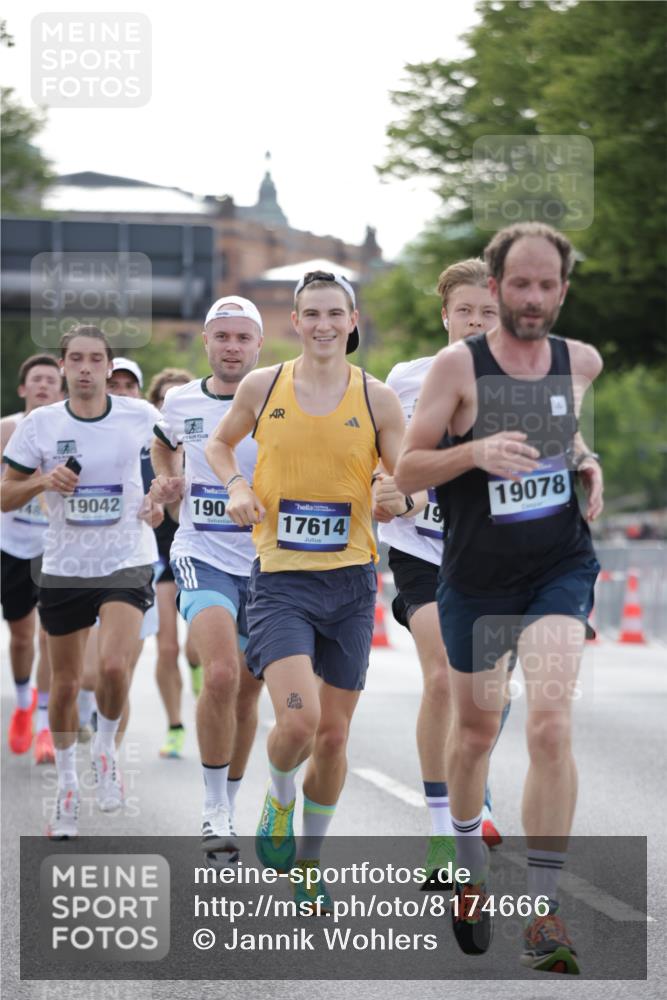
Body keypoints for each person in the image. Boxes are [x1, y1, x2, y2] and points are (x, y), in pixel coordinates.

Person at [395, 222, 603, 973]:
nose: (533, 297)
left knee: (549, 725)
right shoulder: (457, 368)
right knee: (477, 732)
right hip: (476, 577)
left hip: (559, 567)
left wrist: (586, 461)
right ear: (496, 286)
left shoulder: (579, 362)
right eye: (520, 283)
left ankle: (545, 914)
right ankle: (467, 868)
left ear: (562, 290)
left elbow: (564, 439)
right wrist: (475, 452)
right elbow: (408, 469)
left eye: (547, 284)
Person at [205, 270, 408, 910]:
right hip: (282, 581)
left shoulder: (378, 399)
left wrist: (400, 496)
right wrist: (237, 486)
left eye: (334, 314)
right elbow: (219, 444)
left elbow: (410, 482)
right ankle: (278, 799)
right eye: (311, 314)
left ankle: (310, 861)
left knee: (334, 738)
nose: (323, 325)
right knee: (298, 720)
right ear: (294, 322)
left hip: (351, 583)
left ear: (353, 322)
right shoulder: (264, 386)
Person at [374, 259, 509, 886]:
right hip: (422, 553)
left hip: (492, 558)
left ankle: (474, 791)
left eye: (488, 312)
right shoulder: (407, 378)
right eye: (465, 311)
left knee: (487, 692)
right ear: (445, 315)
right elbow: (385, 457)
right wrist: (392, 490)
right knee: (442, 677)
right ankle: (440, 834)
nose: (475, 322)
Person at [1, 325, 162, 839]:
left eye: (96, 359)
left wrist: (160, 496)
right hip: (66, 566)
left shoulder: (139, 414)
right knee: (66, 684)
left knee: (113, 666)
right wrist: (42, 481)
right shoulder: (40, 425)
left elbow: (171, 457)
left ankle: (106, 751)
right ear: (64, 366)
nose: (87, 368)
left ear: (109, 368)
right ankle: (67, 789)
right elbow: (5, 494)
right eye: (77, 359)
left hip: (126, 558)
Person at [150, 297, 265, 858]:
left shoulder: (280, 395)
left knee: (246, 693)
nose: (232, 347)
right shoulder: (180, 400)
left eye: (243, 337)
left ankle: (232, 800)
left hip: (269, 563)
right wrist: (168, 480)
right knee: (220, 674)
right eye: (222, 336)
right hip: (202, 552)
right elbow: (163, 443)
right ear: (206, 341)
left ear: (260, 344)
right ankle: (213, 808)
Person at [1, 354, 62, 764]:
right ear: (23, 388)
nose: (43, 385)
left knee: (49, 636)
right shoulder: (7, 429)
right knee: (22, 637)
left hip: (54, 546)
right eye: (36, 379)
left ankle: (44, 726)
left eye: (51, 380)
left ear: (60, 390)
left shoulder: (70, 430)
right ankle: (23, 703)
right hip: (11, 544)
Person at [145, 366, 195, 757]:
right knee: (166, 649)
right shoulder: (151, 449)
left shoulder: (209, 444)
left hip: (200, 553)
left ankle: (202, 678)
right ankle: (175, 726)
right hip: (161, 555)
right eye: (165, 399)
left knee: (198, 649)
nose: (172, 405)